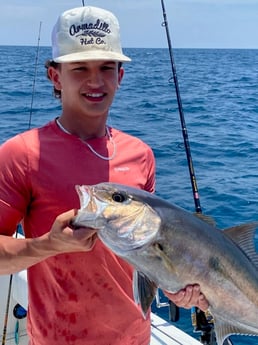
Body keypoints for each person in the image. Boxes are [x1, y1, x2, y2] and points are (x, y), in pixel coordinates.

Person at [0, 6, 208, 345]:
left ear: (120, 76)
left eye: (106, 68)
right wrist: (47, 245)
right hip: (56, 338)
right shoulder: (21, 154)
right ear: (55, 76)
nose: (95, 81)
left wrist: (178, 288)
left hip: (135, 337)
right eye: (80, 68)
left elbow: (150, 256)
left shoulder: (140, 155)